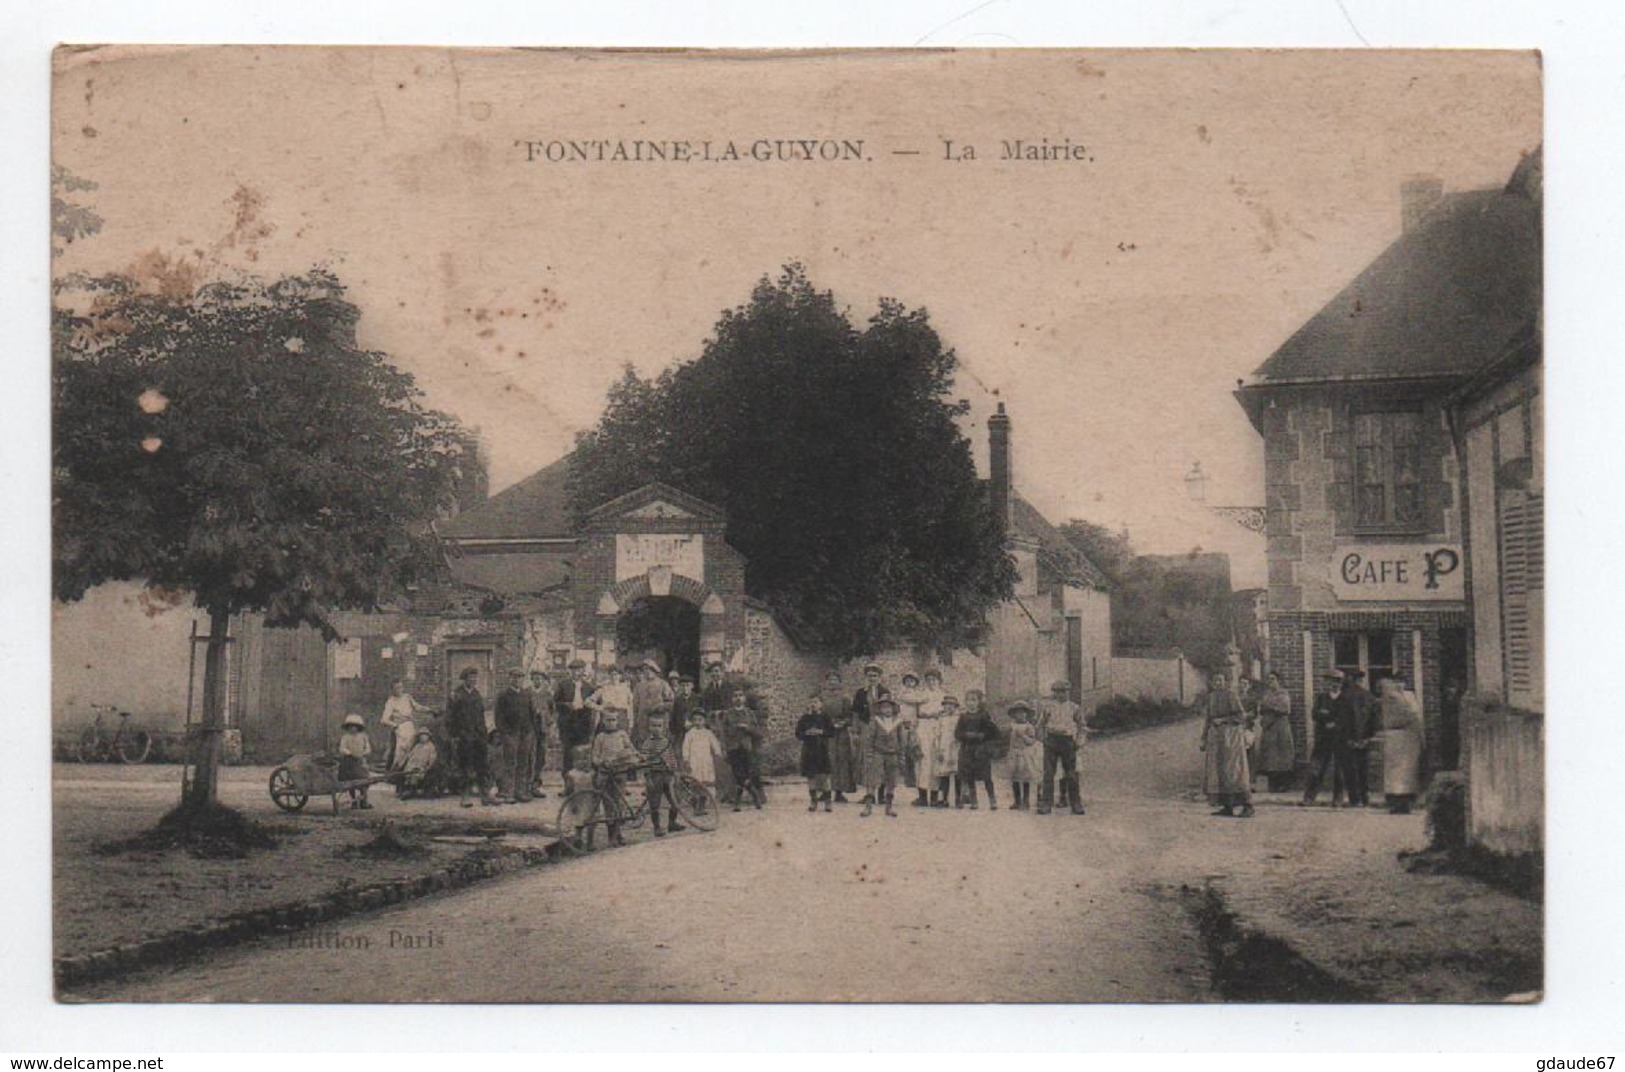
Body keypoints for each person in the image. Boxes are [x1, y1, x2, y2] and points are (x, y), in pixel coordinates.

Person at [1199, 671, 1254, 818]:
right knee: (1219, 771)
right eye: (1215, 681)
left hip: (1231, 737)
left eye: (1220, 680)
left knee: (1235, 771)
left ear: (1225, 682)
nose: (1218, 683)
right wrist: (1203, 738)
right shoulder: (1211, 697)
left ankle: (1248, 805)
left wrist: (1223, 721)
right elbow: (1208, 720)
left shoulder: (1231, 695)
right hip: (1216, 739)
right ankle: (1227, 807)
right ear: (1211, 683)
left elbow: (1240, 716)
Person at [589, 710, 640, 846]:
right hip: (605, 775)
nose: (611, 723)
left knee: (619, 804)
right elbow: (595, 757)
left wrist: (636, 756)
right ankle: (611, 836)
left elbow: (631, 749)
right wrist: (602, 762)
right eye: (608, 720)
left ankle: (618, 834)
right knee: (608, 805)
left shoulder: (622, 735)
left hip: (619, 773)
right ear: (603, 721)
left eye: (614, 720)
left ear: (617, 721)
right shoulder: (600, 737)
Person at [635, 704, 686, 837]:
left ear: (664, 727)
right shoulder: (647, 743)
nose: (656, 729)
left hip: (668, 775)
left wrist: (675, 771)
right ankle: (657, 827)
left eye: (659, 726)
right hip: (655, 775)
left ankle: (672, 823)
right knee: (654, 803)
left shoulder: (666, 741)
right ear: (649, 726)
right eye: (653, 726)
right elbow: (644, 762)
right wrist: (648, 778)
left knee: (676, 799)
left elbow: (671, 756)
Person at [1302, 670, 1352, 807]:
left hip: (1340, 739)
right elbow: (1315, 714)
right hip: (1323, 738)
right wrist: (1327, 720)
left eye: (1337, 681)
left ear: (1341, 683)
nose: (1334, 684)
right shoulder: (1321, 698)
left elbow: (1348, 717)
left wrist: (1334, 722)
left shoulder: (1346, 699)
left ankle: (1338, 799)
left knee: (1339, 771)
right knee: (1316, 769)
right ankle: (1309, 798)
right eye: (1331, 681)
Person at [1037, 681, 1088, 815]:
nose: (1060, 694)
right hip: (1052, 741)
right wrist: (1043, 738)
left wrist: (1079, 741)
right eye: (1057, 692)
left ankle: (1076, 803)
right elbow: (1041, 724)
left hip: (1068, 742)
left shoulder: (1074, 708)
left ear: (1068, 692)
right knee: (1048, 773)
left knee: (1071, 774)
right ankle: (1046, 803)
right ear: (1053, 693)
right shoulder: (1048, 707)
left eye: (1063, 691)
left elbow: (1082, 726)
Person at [448, 667, 496, 808]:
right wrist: (455, 736)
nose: (473, 680)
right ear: (464, 679)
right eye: (470, 678)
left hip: (478, 736)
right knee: (465, 767)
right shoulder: (456, 695)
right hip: (464, 737)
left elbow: (481, 716)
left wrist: (484, 733)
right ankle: (465, 796)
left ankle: (484, 795)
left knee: (483, 766)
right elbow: (450, 718)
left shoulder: (477, 694)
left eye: (475, 678)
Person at [1379, 677, 1424, 814]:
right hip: (1396, 737)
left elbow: (1415, 715)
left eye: (1402, 682)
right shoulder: (1391, 697)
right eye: (1397, 682)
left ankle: (1406, 803)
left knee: (1407, 772)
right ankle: (1396, 803)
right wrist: (1411, 715)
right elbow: (1406, 715)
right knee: (1396, 773)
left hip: (1409, 738)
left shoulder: (1409, 696)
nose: (1400, 685)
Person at [494, 668, 537, 803]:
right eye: (515, 677)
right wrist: (504, 732)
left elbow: (532, 714)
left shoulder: (526, 694)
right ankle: (508, 792)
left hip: (525, 733)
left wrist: (531, 730)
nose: (518, 680)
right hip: (511, 734)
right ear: (510, 678)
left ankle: (520, 792)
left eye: (520, 677)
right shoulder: (503, 695)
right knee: (510, 763)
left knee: (523, 763)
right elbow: (498, 717)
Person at [857, 697, 905, 818]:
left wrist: (901, 755)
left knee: (891, 780)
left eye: (889, 707)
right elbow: (870, 739)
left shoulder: (898, 722)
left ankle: (888, 808)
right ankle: (868, 807)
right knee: (872, 779)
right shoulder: (875, 721)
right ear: (880, 709)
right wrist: (869, 754)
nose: (887, 710)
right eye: (884, 707)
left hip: (893, 753)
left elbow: (902, 740)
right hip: (878, 753)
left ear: (893, 708)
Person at [954, 689, 1001, 809]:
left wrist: (983, 735)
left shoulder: (984, 716)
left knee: (986, 776)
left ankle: (992, 800)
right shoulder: (963, 717)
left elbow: (994, 732)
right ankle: (974, 800)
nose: (971, 703)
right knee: (969, 776)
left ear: (979, 701)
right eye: (968, 700)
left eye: (974, 700)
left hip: (981, 750)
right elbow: (957, 733)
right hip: (967, 749)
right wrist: (966, 735)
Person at [1251, 672, 1297, 793]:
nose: (1270, 682)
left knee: (1283, 753)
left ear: (1278, 681)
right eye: (1268, 679)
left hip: (1280, 726)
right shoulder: (1266, 694)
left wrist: (1270, 707)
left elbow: (1285, 708)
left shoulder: (1283, 693)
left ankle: (1284, 783)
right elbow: (1261, 709)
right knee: (1270, 755)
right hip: (1269, 727)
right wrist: (1267, 708)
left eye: (1273, 679)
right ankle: (1273, 783)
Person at [913, 668, 952, 807]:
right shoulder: (921, 695)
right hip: (923, 728)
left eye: (934, 680)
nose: (931, 682)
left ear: (939, 681)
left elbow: (947, 712)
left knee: (935, 761)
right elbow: (915, 712)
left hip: (937, 728)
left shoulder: (943, 695)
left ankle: (935, 796)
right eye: (928, 680)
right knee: (922, 760)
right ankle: (922, 796)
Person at [721, 692, 765, 811]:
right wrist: (724, 748)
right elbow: (724, 733)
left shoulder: (750, 713)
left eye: (740, 695)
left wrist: (747, 728)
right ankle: (754, 794)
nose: (738, 698)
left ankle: (738, 802)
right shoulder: (728, 714)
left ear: (744, 698)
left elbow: (758, 733)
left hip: (746, 748)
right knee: (738, 774)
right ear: (732, 699)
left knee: (745, 774)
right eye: (735, 696)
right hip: (733, 748)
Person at [820, 671, 858, 802]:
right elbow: (816, 713)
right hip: (825, 732)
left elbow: (850, 716)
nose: (832, 682)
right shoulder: (821, 697)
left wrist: (842, 723)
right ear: (826, 682)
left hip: (840, 733)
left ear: (840, 682)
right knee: (825, 760)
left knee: (841, 761)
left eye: (835, 680)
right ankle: (825, 791)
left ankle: (839, 792)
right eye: (830, 679)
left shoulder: (845, 698)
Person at [795, 690, 835, 813]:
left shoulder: (825, 717)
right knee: (811, 777)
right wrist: (806, 733)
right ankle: (813, 801)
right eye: (811, 702)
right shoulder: (804, 718)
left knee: (825, 776)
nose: (813, 704)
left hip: (822, 750)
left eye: (816, 702)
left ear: (821, 704)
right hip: (809, 751)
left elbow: (832, 732)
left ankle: (828, 802)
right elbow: (798, 734)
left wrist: (821, 732)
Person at [1342, 669, 1377, 807]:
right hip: (1361, 739)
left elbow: (1342, 720)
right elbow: (1374, 720)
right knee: (1362, 769)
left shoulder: (1344, 696)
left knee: (1352, 770)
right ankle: (1364, 797)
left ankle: (1355, 798)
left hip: (1352, 739)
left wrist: (1350, 739)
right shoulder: (1369, 696)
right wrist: (1367, 738)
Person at [554, 660, 595, 774]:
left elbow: (596, 705)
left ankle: (582, 785)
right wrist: (566, 705)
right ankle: (568, 786)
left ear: (583, 671)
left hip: (583, 725)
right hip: (567, 724)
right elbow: (554, 703)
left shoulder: (589, 688)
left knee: (582, 754)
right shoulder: (563, 685)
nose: (576, 673)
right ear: (570, 671)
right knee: (568, 755)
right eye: (573, 670)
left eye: (578, 670)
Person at [379, 680, 428, 771]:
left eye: (401, 687)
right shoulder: (391, 702)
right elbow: (384, 719)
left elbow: (417, 707)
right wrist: (395, 725)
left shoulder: (407, 697)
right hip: (400, 728)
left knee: (413, 747)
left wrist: (429, 710)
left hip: (410, 726)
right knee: (401, 750)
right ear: (392, 690)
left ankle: (411, 768)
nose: (399, 690)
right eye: (397, 688)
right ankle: (396, 770)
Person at [894, 671, 927, 804]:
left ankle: (911, 779)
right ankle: (901, 776)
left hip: (913, 724)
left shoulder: (917, 693)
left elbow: (919, 705)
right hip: (902, 722)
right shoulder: (902, 693)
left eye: (912, 681)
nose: (910, 683)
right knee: (900, 749)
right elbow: (910, 700)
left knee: (913, 750)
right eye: (908, 681)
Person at [1005, 701, 1041, 810]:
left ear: (1027, 714)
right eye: (1018, 713)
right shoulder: (1011, 726)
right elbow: (1004, 735)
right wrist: (1006, 731)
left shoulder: (1029, 727)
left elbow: (1032, 741)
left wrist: (1024, 736)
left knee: (1025, 778)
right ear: (1014, 714)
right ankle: (1017, 801)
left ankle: (1026, 801)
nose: (1021, 715)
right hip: (1013, 753)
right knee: (1015, 777)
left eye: (1023, 712)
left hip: (1025, 754)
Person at [337, 713, 374, 809]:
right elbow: (342, 748)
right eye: (350, 726)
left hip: (361, 761)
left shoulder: (363, 736)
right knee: (351, 783)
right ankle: (353, 801)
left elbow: (368, 747)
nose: (353, 729)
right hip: (349, 762)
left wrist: (364, 753)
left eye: (355, 726)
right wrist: (348, 753)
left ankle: (364, 801)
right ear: (348, 727)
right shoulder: (345, 737)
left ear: (358, 727)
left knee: (364, 781)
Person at [680, 711, 724, 793]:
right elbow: (686, 746)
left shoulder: (708, 733)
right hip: (694, 759)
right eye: (695, 720)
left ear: (704, 721)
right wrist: (686, 758)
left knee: (707, 776)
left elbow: (714, 743)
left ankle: (708, 796)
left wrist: (717, 752)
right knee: (695, 776)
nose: (697, 722)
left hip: (705, 759)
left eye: (700, 720)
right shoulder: (690, 734)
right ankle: (696, 796)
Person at [632, 659, 674, 744]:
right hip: (643, 720)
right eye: (644, 669)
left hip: (659, 719)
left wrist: (659, 707)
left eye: (649, 669)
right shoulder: (639, 686)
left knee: (660, 742)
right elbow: (635, 705)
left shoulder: (663, 684)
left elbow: (670, 702)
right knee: (644, 743)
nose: (647, 672)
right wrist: (635, 720)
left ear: (654, 670)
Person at [398, 727, 439, 799]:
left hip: (422, 766)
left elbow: (432, 758)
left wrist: (428, 767)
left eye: (425, 735)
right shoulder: (417, 746)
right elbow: (410, 756)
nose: (422, 737)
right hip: (412, 765)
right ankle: (407, 788)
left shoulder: (431, 746)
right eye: (421, 736)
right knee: (407, 773)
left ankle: (411, 790)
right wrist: (404, 763)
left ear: (428, 737)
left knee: (415, 775)